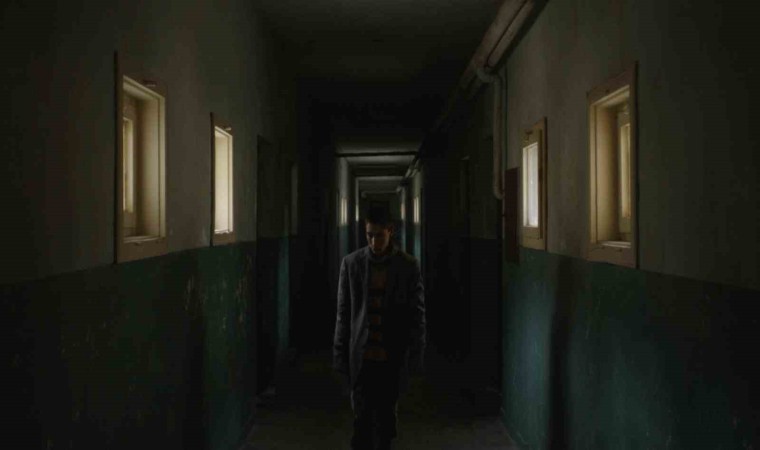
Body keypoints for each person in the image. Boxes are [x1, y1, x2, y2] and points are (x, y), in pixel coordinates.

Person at [333, 206, 426, 450]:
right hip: (362, 360)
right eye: (369, 235)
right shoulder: (351, 264)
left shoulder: (408, 266)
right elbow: (343, 316)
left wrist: (415, 357)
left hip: (391, 360)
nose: (374, 242)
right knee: (361, 427)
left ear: (390, 231)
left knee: (385, 427)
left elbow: (417, 317)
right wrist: (339, 357)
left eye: (379, 235)